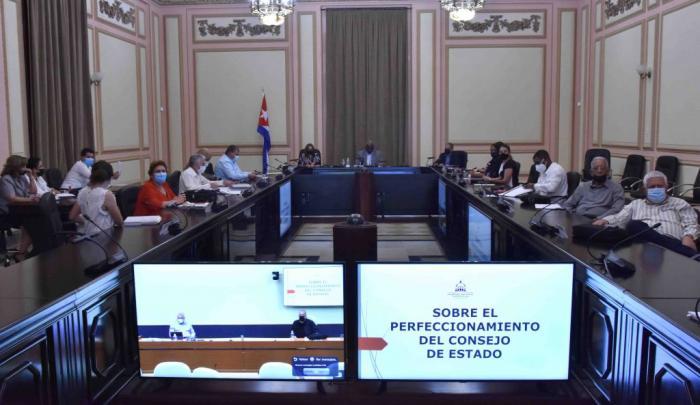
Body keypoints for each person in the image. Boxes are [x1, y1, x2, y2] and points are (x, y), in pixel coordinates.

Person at [593, 171, 699, 258]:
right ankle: (693, 256)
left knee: (634, 226)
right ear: (644, 189)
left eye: (660, 186)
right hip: (642, 248)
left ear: (667, 187)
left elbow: (691, 223)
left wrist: (688, 236)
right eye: (652, 187)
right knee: (634, 225)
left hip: (672, 251)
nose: (656, 189)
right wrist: (605, 220)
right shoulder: (636, 204)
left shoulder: (679, 203)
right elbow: (619, 218)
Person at [0, 155, 39, 260]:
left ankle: (22, 251)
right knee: (32, 223)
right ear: (15, 167)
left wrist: (31, 177)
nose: (26, 168)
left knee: (36, 220)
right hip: (7, 213)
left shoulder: (22, 177)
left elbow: (33, 191)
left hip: (20, 209)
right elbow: (12, 199)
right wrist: (30, 200)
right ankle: (21, 252)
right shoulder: (6, 179)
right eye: (23, 166)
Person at [69, 161, 123, 236]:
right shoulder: (106, 195)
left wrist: (86, 221)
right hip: (105, 238)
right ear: (109, 177)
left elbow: (72, 216)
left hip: (87, 238)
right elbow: (119, 221)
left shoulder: (82, 192)